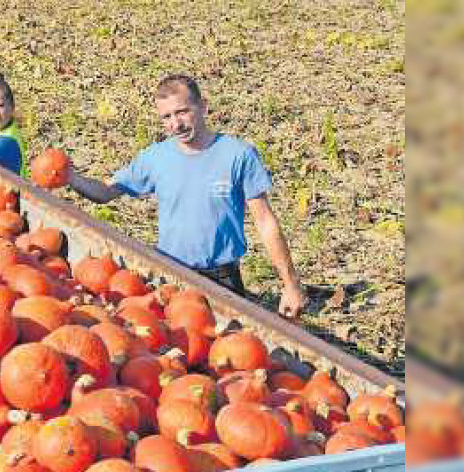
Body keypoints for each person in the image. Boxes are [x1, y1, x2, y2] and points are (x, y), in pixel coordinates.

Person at [65, 74, 307, 318]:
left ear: (203, 107)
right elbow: (106, 192)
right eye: (166, 117)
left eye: (182, 112)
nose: (175, 124)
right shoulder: (155, 157)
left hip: (221, 279)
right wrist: (71, 178)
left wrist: (291, 284)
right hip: (169, 276)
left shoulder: (238, 155)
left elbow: (265, 222)